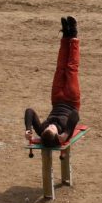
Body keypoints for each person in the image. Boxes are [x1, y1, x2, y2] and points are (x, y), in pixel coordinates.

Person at [24, 16, 81, 149]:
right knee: (71, 68)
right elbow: (75, 115)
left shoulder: (42, 130)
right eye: (52, 129)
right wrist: (66, 133)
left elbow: (30, 111)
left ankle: (65, 35)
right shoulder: (64, 132)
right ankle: (73, 36)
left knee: (60, 68)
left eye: (46, 128)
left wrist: (28, 129)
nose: (49, 126)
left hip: (56, 98)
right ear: (57, 135)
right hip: (71, 101)